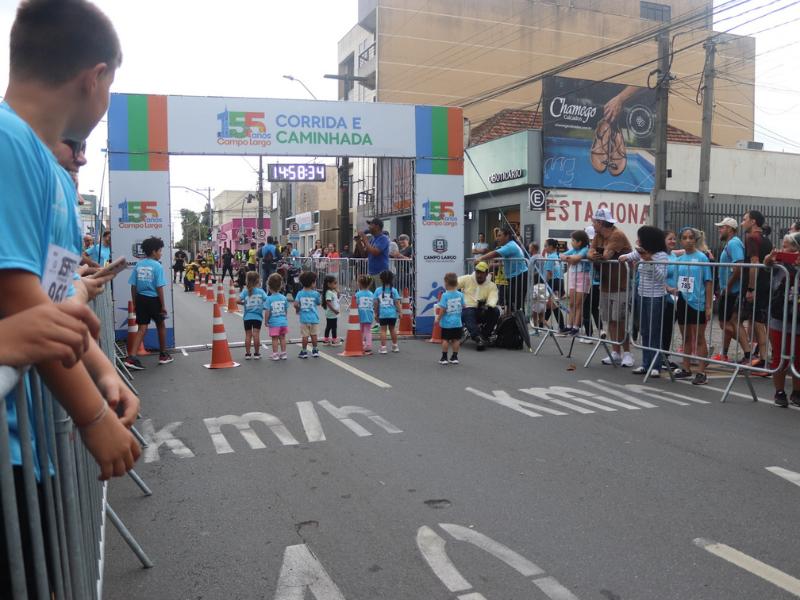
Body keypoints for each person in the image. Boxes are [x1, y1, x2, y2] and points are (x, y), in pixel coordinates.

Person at [0, 0, 140, 507]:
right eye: (110, 86)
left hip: (34, 439)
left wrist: (102, 370)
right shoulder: (7, 142)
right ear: (94, 78)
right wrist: (93, 416)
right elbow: (21, 302)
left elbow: (53, 303)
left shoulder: (53, 174)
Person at [620, 226, 670, 377]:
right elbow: (629, 256)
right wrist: (624, 257)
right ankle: (645, 363)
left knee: (654, 331)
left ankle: (656, 365)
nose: (639, 241)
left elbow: (661, 277)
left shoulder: (661, 256)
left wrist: (649, 261)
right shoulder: (641, 252)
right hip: (642, 295)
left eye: (641, 238)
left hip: (656, 297)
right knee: (644, 331)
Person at [588, 208, 634, 367]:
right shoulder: (598, 235)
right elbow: (591, 251)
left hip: (621, 284)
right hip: (606, 283)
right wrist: (592, 255)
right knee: (610, 320)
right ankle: (615, 352)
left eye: (594, 222)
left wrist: (593, 255)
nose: (592, 224)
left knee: (620, 320)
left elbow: (605, 256)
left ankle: (627, 353)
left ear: (600, 222)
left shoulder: (617, 234)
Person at [669, 228, 713, 385]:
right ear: (681, 240)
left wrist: (708, 306)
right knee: (686, 337)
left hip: (698, 302)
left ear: (695, 240)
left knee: (699, 337)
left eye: (691, 238)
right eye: (685, 238)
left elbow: (708, 282)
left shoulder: (702, 258)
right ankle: (686, 368)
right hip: (683, 301)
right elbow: (677, 282)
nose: (688, 240)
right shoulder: (679, 259)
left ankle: (701, 372)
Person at [763, 233, 800, 406]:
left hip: (798, 318)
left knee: (798, 357)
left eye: (786, 247)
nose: (782, 249)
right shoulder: (780, 264)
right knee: (779, 355)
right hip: (779, 316)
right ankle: (779, 391)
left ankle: (797, 392)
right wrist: (768, 259)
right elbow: (766, 265)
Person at [124, 237, 172, 370]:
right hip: (153, 299)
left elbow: (133, 286)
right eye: (160, 251)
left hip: (140, 299)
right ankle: (163, 354)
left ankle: (131, 357)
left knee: (142, 328)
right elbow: (159, 287)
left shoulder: (138, 265)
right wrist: (163, 305)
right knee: (161, 325)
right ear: (154, 251)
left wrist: (135, 303)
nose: (161, 253)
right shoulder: (158, 266)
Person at [713, 217, 750, 363]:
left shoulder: (734, 243)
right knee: (730, 322)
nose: (719, 230)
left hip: (732, 291)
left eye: (722, 227)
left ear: (729, 229)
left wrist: (728, 286)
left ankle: (748, 350)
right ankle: (725, 353)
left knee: (727, 324)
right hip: (730, 290)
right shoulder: (732, 243)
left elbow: (739, 266)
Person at [742, 210, 773, 369]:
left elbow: (754, 263)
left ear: (753, 221)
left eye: (744, 219)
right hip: (766, 284)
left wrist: (751, 288)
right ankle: (763, 357)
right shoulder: (766, 239)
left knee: (758, 323)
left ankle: (764, 359)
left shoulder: (752, 238)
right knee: (759, 322)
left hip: (758, 286)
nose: (742, 222)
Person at [478, 226, 528, 313]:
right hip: (514, 277)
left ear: (507, 236)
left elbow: (495, 253)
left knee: (517, 304)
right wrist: (491, 265)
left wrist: (480, 258)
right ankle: (511, 319)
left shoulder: (510, 246)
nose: (497, 238)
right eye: (497, 236)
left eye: (499, 235)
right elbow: (501, 260)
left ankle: (519, 321)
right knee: (511, 302)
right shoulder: (509, 245)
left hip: (519, 277)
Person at [457, 261, 499, 351]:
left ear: (486, 273)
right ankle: (478, 337)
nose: (479, 275)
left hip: (482, 310)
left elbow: (493, 297)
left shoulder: (491, 285)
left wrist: (489, 305)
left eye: (482, 273)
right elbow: (453, 284)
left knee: (495, 311)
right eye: (477, 272)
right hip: (467, 308)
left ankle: (484, 336)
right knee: (468, 312)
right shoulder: (467, 278)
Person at [562, 230, 591, 335]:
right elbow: (562, 255)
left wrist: (569, 259)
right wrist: (569, 258)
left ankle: (576, 326)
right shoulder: (573, 250)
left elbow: (577, 258)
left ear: (579, 242)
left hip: (583, 277)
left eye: (573, 240)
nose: (571, 242)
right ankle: (569, 325)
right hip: (573, 277)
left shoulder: (585, 249)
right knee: (571, 303)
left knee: (579, 303)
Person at [435, 272, 466, 365]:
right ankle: (455, 357)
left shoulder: (445, 295)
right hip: (457, 322)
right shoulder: (460, 295)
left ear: (446, 283)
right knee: (456, 339)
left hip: (447, 323)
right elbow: (464, 305)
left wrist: (438, 318)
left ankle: (444, 358)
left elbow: (443, 309)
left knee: (445, 340)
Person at [237, 271, 267, 360]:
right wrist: (262, 306)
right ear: (258, 280)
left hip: (247, 317)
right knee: (256, 334)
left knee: (248, 335)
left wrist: (244, 303)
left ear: (247, 280)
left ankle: (248, 353)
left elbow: (237, 300)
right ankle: (257, 353)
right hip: (258, 317)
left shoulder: (245, 291)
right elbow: (267, 300)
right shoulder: (261, 291)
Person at [294, 271, 321, 359]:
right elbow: (318, 303)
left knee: (305, 336)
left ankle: (304, 351)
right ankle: (315, 350)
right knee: (314, 335)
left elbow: (295, 304)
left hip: (304, 318)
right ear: (312, 283)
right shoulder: (316, 293)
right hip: (314, 318)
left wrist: (298, 309)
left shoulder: (300, 293)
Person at [373, 270, 401, 354]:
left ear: (381, 280)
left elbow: (376, 303)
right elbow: (397, 303)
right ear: (392, 279)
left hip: (383, 314)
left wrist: (376, 313)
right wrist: (400, 312)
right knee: (392, 329)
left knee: (383, 330)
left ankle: (383, 348)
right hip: (392, 314)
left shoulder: (378, 290)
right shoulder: (394, 290)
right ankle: (395, 346)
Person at [542, 238, 566, 332]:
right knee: (549, 305)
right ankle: (542, 324)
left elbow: (549, 273)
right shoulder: (558, 256)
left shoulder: (550, 257)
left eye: (546, 246)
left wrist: (544, 283)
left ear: (551, 247)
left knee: (554, 305)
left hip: (553, 282)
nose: (544, 248)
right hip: (560, 281)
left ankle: (562, 327)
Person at [264, 273, 290, 361]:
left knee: (274, 338)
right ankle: (284, 353)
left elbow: (267, 312)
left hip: (274, 322)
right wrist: (285, 318)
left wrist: (266, 321)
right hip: (283, 322)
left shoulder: (269, 299)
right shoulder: (284, 298)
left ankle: (275, 354)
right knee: (282, 338)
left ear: (269, 287)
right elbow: (285, 310)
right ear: (280, 286)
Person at [360, 218, 390, 286]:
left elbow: (375, 252)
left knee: (380, 292)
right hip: (371, 273)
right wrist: (359, 242)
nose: (369, 227)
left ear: (377, 227)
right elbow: (364, 254)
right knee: (371, 292)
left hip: (381, 273)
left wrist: (365, 239)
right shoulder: (372, 239)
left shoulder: (383, 238)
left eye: (371, 225)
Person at [355, 275, 375, 354]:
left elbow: (356, 304)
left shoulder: (358, 294)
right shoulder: (371, 294)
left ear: (360, 284)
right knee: (368, 330)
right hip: (369, 314)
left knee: (360, 330)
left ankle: (360, 343)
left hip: (360, 314)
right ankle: (368, 345)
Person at [321, 275, 341, 346]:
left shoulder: (332, 291)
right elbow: (328, 302)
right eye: (334, 283)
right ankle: (334, 340)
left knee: (329, 326)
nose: (336, 285)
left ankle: (326, 340)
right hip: (331, 313)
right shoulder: (329, 292)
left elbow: (337, 298)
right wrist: (334, 310)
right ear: (329, 284)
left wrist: (337, 291)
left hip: (332, 313)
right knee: (333, 327)